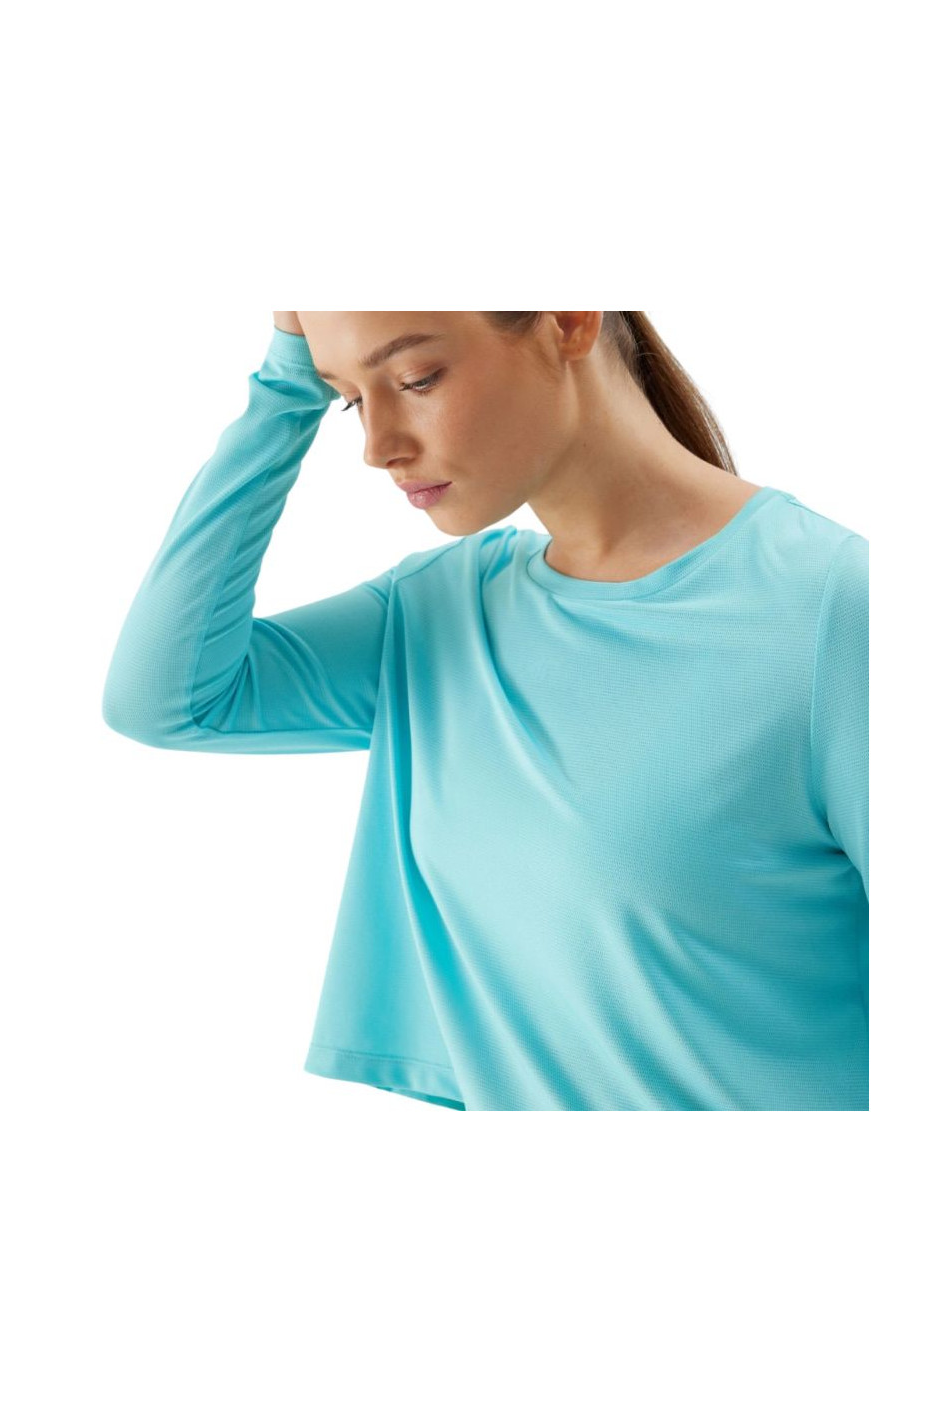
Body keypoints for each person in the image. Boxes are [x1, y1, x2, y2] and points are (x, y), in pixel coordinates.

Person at [102, 311, 869, 1111]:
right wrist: (288, 381)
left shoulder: (832, 613)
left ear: (569, 318)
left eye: (416, 380)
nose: (377, 446)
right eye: (352, 401)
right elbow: (167, 699)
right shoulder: (439, 615)